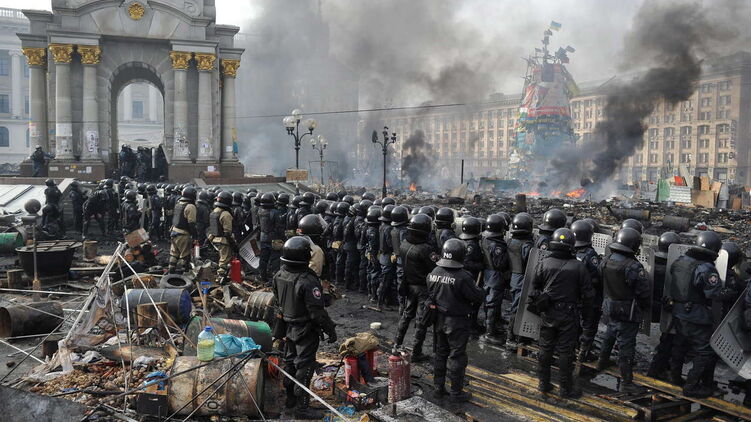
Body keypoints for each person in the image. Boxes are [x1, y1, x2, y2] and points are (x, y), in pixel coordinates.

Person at [272, 236, 337, 419]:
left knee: (291, 363)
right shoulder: (308, 280)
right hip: (305, 330)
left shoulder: (279, 275)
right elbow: (317, 313)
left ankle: (290, 401)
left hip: (288, 328)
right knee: (305, 368)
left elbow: (277, 304)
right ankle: (302, 408)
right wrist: (330, 329)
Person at [668, 231, 736, 397]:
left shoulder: (680, 261)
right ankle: (691, 386)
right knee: (705, 351)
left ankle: (674, 378)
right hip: (695, 316)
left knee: (679, 346)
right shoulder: (705, 268)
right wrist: (733, 292)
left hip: (677, 312)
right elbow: (714, 294)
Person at [532, 228, 596, 398]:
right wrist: (587, 316)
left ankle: (543, 384)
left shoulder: (544, 263)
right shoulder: (579, 267)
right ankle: (565, 389)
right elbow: (589, 295)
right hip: (568, 315)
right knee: (565, 352)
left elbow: (534, 287)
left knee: (545, 348)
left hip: (548, 313)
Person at [427, 238, 485, 402]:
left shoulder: (434, 273)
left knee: (440, 354)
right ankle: (456, 392)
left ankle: (438, 388)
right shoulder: (463, 277)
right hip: (457, 322)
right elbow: (478, 296)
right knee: (457, 357)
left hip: (438, 319)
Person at [596, 228, 651, 393]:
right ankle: (627, 382)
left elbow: (599, 283)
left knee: (609, 335)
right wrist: (644, 307)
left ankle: (602, 361)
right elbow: (643, 293)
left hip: (609, 306)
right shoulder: (634, 267)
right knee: (626, 346)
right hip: (627, 311)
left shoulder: (605, 261)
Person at [394, 213, 436, 362]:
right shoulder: (425, 249)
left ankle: (397, 344)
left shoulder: (404, 243)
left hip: (409, 285)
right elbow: (434, 268)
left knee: (406, 315)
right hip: (422, 288)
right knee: (421, 320)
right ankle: (417, 352)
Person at [647, 231, 682, 381]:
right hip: (665, 309)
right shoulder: (674, 271)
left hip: (648, 307)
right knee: (668, 342)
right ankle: (657, 370)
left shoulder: (650, 265)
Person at [571, 219, 602, 351]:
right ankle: (584, 350)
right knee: (589, 323)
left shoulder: (569, 250)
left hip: (573, 294)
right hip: (588, 295)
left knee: (575, 320)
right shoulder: (590, 255)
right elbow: (597, 277)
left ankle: (575, 344)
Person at [480, 214, 510, 346]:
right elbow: (500, 264)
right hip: (495, 276)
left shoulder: (485, 238)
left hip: (488, 274)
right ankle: (489, 333)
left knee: (490, 302)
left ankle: (493, 325)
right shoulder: (497, 245)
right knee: (492, 303)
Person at [506, 213, 535, 345]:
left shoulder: (511, 241)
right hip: (522, 278)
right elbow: (530, 261)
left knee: (515, 306)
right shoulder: (526, 245)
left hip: (514, 277)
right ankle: (512, 338)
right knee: (517, 308)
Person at [460, 216, 484, 335]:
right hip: (471, 276)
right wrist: (479, 265)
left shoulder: (465, 242)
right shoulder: (471, 245)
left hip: (467, 275)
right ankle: (470, 325)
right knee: (473, 301)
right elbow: (466, 263)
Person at [168, 187, 197, 274]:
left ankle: (171, 272)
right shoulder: (190, 206)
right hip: (183, 234)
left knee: (174, 254)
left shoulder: (178, 204)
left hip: (174, 232)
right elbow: (191, 223)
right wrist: (195, 236)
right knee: (185, 255)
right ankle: (186, 274)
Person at [378, 204, 397, 310]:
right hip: (388, 257)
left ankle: (385, 301)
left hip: (383, 256)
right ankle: (381, 303)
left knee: (385, 280)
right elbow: (390, 244)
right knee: (385, 281)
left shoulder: (382, 226)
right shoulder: (389, 228)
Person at [258, 193, 280, 284]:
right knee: (275, 258)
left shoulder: (260, 211)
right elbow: (278, 227)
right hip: (273, 239)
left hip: (263, 238)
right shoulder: (275, 212)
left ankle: (262, 276)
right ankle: (273, 278)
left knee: (263, 258)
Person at [390, 205, 409, 308]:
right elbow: (405, 247)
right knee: (403, 285)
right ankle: (403, 306)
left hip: (398, 259)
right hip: (404, 261)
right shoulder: (403, 232)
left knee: (399, 282)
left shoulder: (394, 230)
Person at [343, 201, 362, 291]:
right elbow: (356, 234)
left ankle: (351, 283)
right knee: (350, 266)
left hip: (348, 244)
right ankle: (348, 285)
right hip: (351, 245)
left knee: (351, 266)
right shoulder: (353, 220)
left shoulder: (347, 218)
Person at [355, 200, 373, 294]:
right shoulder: (361, 221)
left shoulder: (359, 219)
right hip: (362, 246)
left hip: (360, 245)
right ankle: (362, 287)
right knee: (363, 266)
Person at [365, 206, 382, 303]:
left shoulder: (369, 228)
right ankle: (373, 296)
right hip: (373, 254)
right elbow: (373, 245)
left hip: (370, 253)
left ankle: (370, 293)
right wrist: (374, 257)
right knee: (374, 274)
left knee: (370, 272)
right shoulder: (374, 231)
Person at [331, 202, 347, 287]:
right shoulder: (341, 219)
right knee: (339, 260)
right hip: (339, 241)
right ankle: (338, 279)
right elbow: (337, 232)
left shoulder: (336, 218)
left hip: (336, 241)